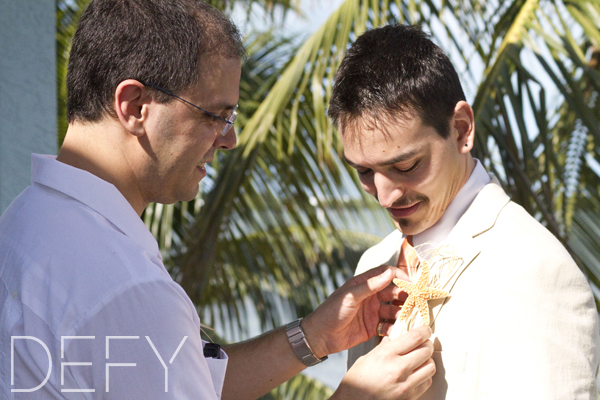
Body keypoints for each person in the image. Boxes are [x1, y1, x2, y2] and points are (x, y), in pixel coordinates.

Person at [0, 2, 437, 399]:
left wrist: (313, 337)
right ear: (134, 105)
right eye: (216, 115)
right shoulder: (127, 289)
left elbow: (177, 376)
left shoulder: (28, 220)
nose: (229, 139)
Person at [327, 24, 600, 399]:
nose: (385, 196)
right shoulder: (374, 264)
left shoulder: (535, 269)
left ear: (461, 130)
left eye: (406, 167)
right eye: (364, 172)